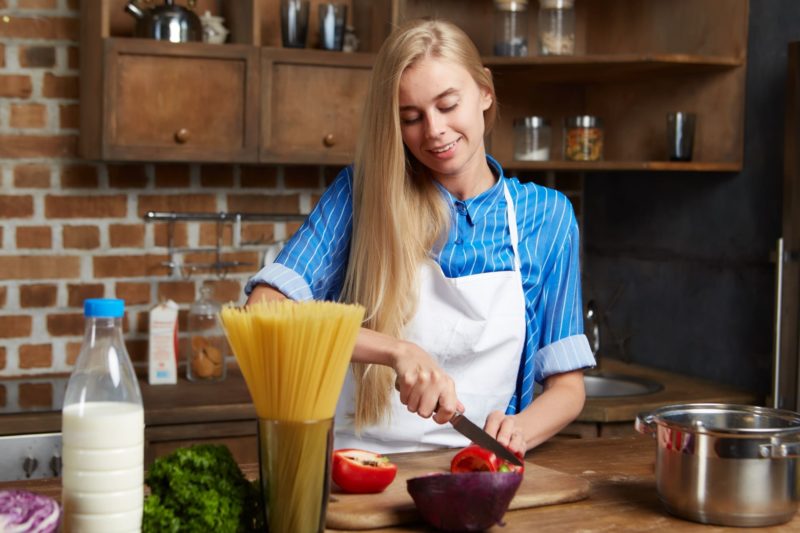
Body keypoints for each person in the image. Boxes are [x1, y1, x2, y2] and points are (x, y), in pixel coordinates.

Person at [245, 18, 595, 457]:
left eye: (448, 105)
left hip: (480, 466)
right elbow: (265, 310)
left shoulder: (548, 217)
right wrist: (395, 351)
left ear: (485, 91)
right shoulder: (362, 196)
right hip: (359, 466)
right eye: (411, 118)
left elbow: (567, 388)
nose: (434, 130)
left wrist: (520, 431)